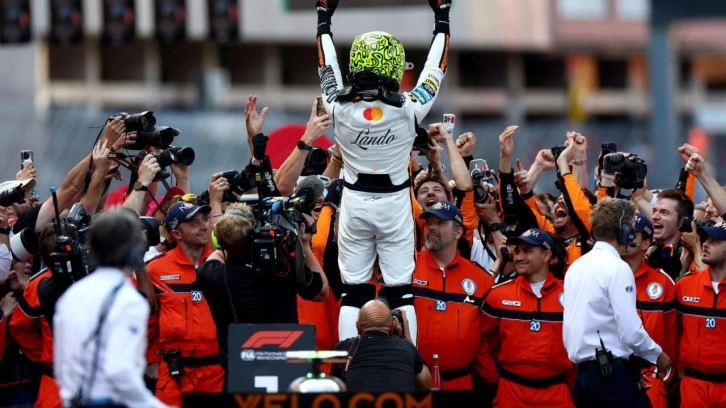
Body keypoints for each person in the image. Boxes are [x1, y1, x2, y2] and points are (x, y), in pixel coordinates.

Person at [315, 0, 451, 341]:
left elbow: (326, 66)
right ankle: (407, 362)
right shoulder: (410, 108)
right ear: (394, 66)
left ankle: (349, 361)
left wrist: (323, 18)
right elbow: (435, 69)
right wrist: (442, 17)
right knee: (401, 291)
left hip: (354, 205)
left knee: (353, 291)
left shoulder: (336, 106)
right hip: (395, 206)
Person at [196, 202, 328, 385]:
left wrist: (227, 238)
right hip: (285, 372)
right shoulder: (282, 268)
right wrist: (304, 245)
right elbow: (321, 292)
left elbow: (217, 253)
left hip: (239, 376)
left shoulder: (211, 275)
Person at [53, 210, 167, 407]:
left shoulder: (72, 295)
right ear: (133, 250)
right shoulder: (129, 300)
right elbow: (120, 371)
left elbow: (63, 361)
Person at [563, 198, 670, 407]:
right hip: (611, 375)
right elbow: (630, 331)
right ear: (624, 230)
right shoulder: (617, 267)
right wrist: (657, 354)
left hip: (584, 376)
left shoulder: (576, 267)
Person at [481, 228, 574, 407]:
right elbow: (482, 340)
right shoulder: (499, 295)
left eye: (527, 251)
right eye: (517, 251)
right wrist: (492, 377)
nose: (519, 257)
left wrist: (571, 383)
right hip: (510, 391)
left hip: (557, 392)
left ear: (546, 255)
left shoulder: (570, 294)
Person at [145, 202, 224, 406]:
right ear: (176, 234)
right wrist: (151, 358)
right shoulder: (156, 269)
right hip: (173, 373)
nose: (204, 227)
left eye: (204, 220)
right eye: (194, 223)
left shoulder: (223, 264)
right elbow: (149, 318)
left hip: (218, 371)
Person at [412, 200, 496, 391]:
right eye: (429, 222)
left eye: (440, 223)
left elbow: (486, 337)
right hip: (412, 382)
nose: (432, 227)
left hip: (460, 383)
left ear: (458, 232)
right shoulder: (407, 268)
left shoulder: (481, 279)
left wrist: (491, 379)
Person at [621, 214, 677, 408]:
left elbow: (672, 335)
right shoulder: (603, 277)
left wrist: (666, 375)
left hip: (651, 374)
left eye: (631, 233)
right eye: (622, 231)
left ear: (645, 244)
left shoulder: (663, 282)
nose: (624, 237)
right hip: (613, 372)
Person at [675, 222, 726, 407]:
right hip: (693, 384)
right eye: (706, 239)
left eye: (715, 241)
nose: (705, 244)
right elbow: (673, 332)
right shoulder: (684, 285)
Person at [331, 299, 429, 392]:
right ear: (392, 326)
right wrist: (408, 340)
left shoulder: (343, 349)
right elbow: (425, 385)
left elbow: (331, 388)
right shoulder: (407, 347)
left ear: (358, 327)